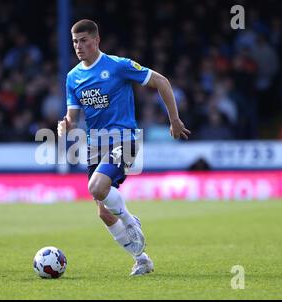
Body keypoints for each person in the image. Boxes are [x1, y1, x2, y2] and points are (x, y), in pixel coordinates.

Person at [57, 20, 191, 276]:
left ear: (97, 40)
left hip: (125, 140)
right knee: (104, 214)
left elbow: (162, 81)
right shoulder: (73, 77)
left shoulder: (118, 66)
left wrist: (174, 120)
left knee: (96, 187)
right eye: (75, 42)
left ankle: (130, 221)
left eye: (84, 40)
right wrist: (65, 124)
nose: (79, 46)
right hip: (95, 146)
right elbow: (72, 117)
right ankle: (141, 259)